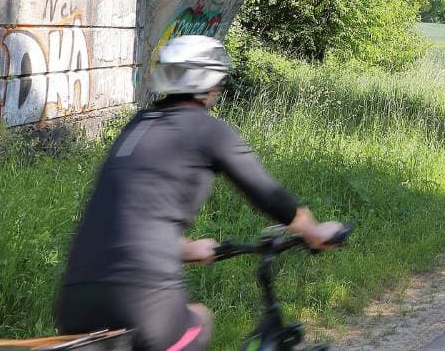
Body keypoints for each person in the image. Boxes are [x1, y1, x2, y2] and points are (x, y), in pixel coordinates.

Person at [55, 35, 346, 351]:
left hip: (75, 299)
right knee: (199, 319)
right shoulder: (210, 131)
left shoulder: (136, 128)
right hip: (143, 298)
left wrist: (190, 249)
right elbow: (270, 196)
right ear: (210, 84)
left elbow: (130, 213)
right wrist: (315, 232)